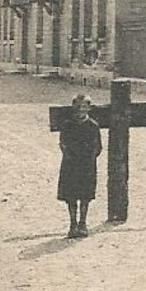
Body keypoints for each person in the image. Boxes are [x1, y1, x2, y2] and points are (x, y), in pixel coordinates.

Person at [57, 93, 103, 239]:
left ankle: (82, 223)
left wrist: (88, 158)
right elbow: (63, 143)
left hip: (87, 165)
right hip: (70, 164)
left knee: (85, 195)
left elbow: (98, 147)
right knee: (70, 196)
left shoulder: (93, 126)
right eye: (77, 106)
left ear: (89, 108)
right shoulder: (67, 125)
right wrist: (71, 156)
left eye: (84, 107)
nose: (80, 110)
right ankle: (72, 224)